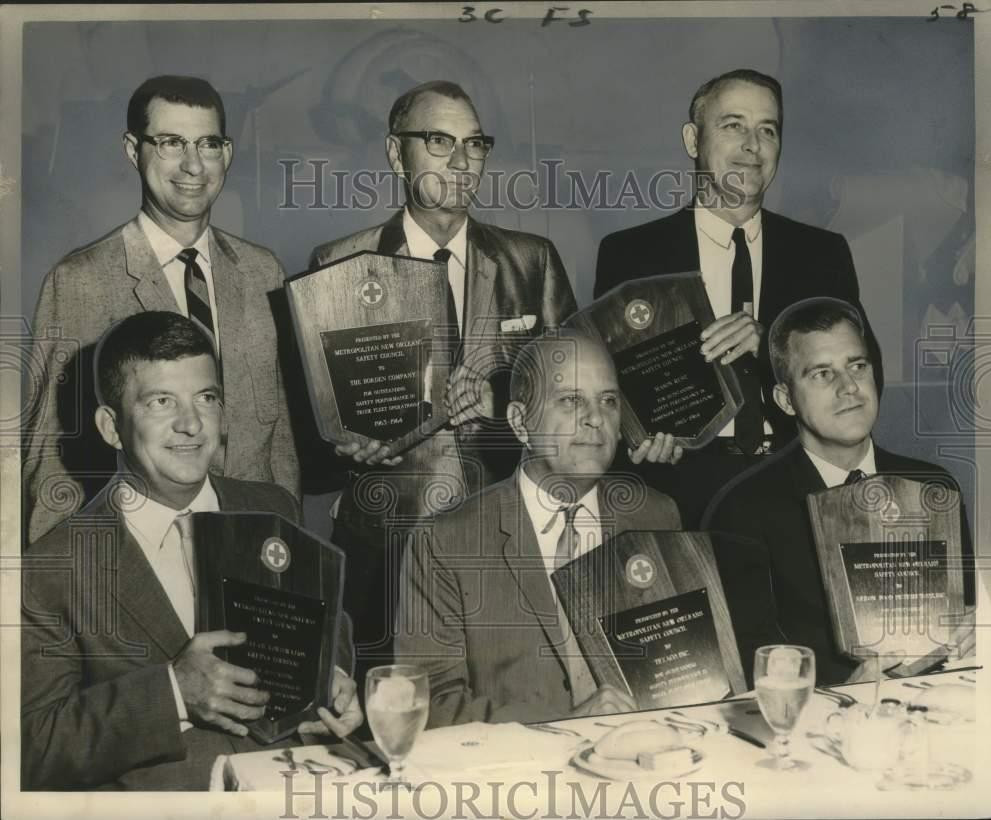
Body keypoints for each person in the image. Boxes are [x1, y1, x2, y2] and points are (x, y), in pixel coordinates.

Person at [21, 312, 359, 790]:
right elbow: (33, 749)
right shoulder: (48, 571)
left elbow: (329, 621)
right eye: (161, 402)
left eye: (206, 398)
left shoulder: (271, 505)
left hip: (302, 792)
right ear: (111, 426)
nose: (191, 423)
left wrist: (334, 674)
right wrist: (174, 693)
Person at [308, 80, 580, 675]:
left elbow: (575, 398)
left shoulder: (532, 260)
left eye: (475, 144)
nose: (461, 161)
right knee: (387, 713)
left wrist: (501, 397)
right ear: (394, 153)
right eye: (438, 141)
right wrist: (343, 446)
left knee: (506, 712)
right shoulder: (339, 264)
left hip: (508, 539)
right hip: (385, 545)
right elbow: (313, 435)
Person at [594, 68, 879, 527]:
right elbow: (605, 384)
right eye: (733, 126)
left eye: (767, 129)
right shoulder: (630, 254)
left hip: (799, 485)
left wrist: (773, 346)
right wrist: (635, 438)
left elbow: (870, 375)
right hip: (679, 489)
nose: (752, 145)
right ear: (693, 140)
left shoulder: (822, 254)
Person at [24, 75, 298, 544]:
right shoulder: (79, 281)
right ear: (134, 151)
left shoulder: (262, 272)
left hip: (251, 553)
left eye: (208, 144)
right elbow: (50, 462)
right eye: (171, 143)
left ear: (227, 154)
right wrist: (68, 588)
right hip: (136, 558)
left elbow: (282, 449)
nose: (193, 165)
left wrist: (287, 548)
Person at [394, 329, 712, 727]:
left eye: (608, 401)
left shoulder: (657, 514)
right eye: (571, 401)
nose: (596, 419)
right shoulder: (444, 542)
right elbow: (429, 708)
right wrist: (562, 722)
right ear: (520, 422)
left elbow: (686, 671)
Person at [703, 297, 974, 685]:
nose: (849, 387)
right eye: (822, 374)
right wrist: (843, 693)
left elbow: (966, 613)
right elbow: (747, 663)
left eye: (857, 366)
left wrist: (977, 627)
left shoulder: (934, 486)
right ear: (785, 400)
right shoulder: (741, 510)